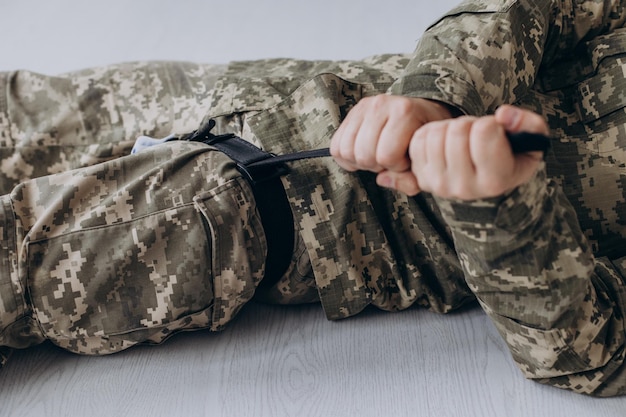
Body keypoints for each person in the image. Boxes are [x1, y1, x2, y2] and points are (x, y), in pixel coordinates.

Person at [0, 0, 625, 398]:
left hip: (270, 209)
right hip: (244, 92)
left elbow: (591, 351)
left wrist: (500, 203)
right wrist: (436, 95)